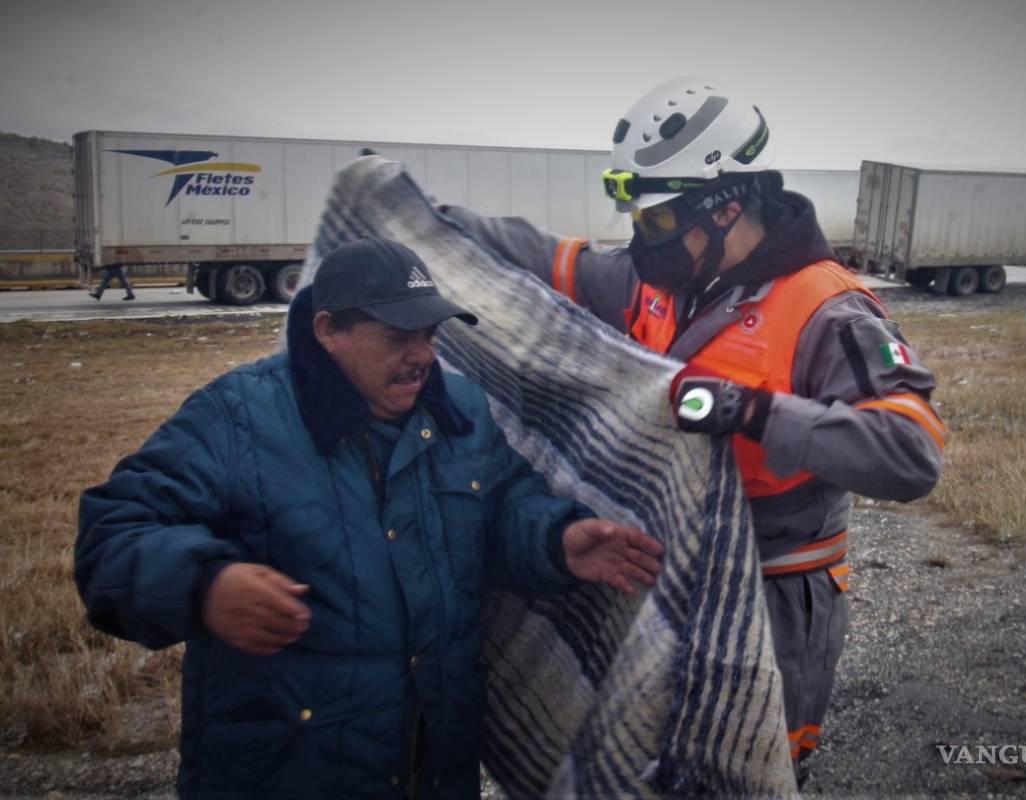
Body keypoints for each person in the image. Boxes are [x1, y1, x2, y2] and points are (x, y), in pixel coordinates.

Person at [441, 76, 945, 789]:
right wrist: (426, 216)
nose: (642, 242)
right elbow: (547, 256)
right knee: (652, 767)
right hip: (661, 585)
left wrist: (752, 410)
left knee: (737, 774)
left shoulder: (828, 309)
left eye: (657, 223)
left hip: (770, 603)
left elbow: (911, 454)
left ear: (727, 204)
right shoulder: (660, 277)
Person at [75, 236, 665, 799]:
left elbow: (503, 503)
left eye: (430, 333)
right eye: (398, 336)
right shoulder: (241, 416)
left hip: (434, 770)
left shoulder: (457, 409)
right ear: (328, 330)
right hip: (289, 773)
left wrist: (556, 538)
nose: (423, 355)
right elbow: (114, 533)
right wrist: (204, 586)